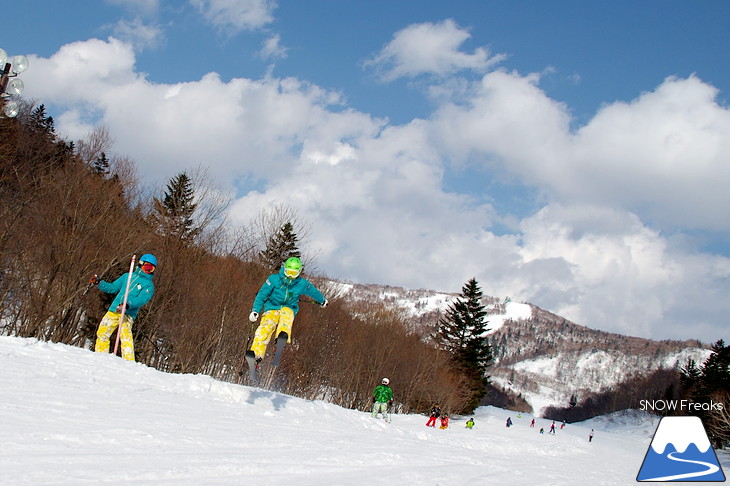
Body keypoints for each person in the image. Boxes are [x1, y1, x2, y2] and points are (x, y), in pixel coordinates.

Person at [247, 257, 327, 363]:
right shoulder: (274, 279)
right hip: (272, 307)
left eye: (293, 274)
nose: (290, 276)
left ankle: (282, 337)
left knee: (286, 316)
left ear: (298, 273)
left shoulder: (301, 284)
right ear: (284, 269)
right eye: (288, 272)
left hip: (289, 308)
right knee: (265, 327)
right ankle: (256, 354)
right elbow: (262, 295)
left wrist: (322, 301)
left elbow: (313, 292)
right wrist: (255, 310)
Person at [92, 254, 157, 361]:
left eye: (151, 269)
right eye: (147, 267)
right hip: (114, 310)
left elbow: (141, 299)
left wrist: (127, 304)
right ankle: (100, 356)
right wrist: (99, 283)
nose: (148, 270)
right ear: (141, 264)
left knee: (125, 335)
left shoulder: (148, 285)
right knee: (103, 331)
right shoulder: (127, 276)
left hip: (128, 313)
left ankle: (128, 361)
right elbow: (112, 288)